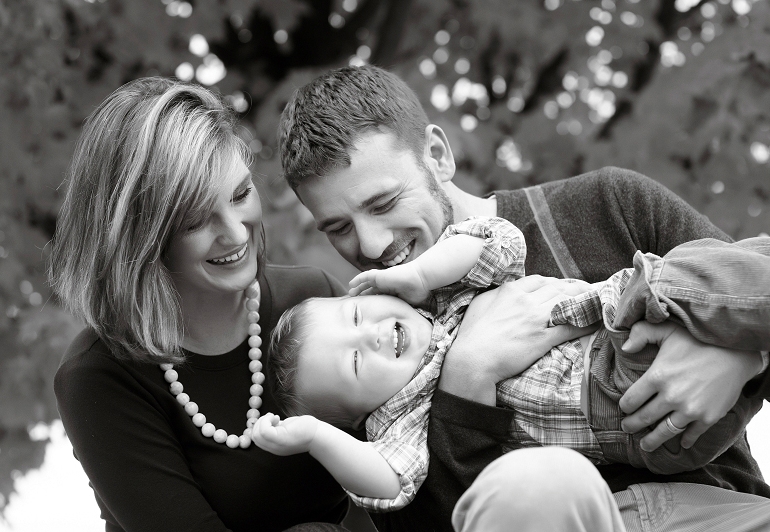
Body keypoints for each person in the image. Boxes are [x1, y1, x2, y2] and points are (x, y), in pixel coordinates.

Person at [276, 64, 770, 531]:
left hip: (722, 509)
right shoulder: (361, 364)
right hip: (561, 513)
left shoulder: (609, 204)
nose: (370, 246)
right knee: (542, 483)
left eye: (383, 204)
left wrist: (743, 358)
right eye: (337, 228)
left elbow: (742, 279)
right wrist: (467, 376)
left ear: (438, 156)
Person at [253, 215, 769, 514]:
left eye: (358, 313)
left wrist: (417, 273)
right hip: (626, 404)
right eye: (357, 363)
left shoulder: (444, 297)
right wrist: (317, 439)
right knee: (680, 278)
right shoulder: (407, 414)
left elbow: (499, 243)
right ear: (368, 413)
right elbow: (388, 480)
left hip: (652, 336)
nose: (370, 334)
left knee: (696, 266)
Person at [48, 77, 356, 531]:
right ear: (140, 237)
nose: (234, 233)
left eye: (240, 194)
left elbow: (406, 462)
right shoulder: (99, 377)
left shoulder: (316, 299)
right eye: (195, 219)